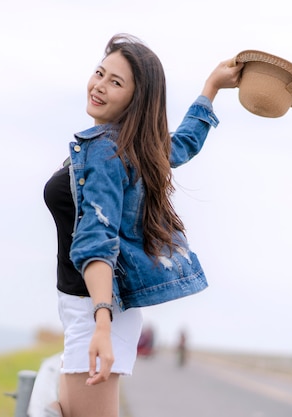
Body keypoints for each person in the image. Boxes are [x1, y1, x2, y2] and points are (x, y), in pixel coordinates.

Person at [43, 33, 243, 417]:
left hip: (96, 310)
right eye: (100, 73)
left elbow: (97, 238)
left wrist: (101, 324)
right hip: (88, 309)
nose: (99, 86)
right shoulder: (134, 146)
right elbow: (181, 144)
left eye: (115, 82)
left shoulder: (105, 150)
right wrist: (211, 88)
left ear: (136, 99)